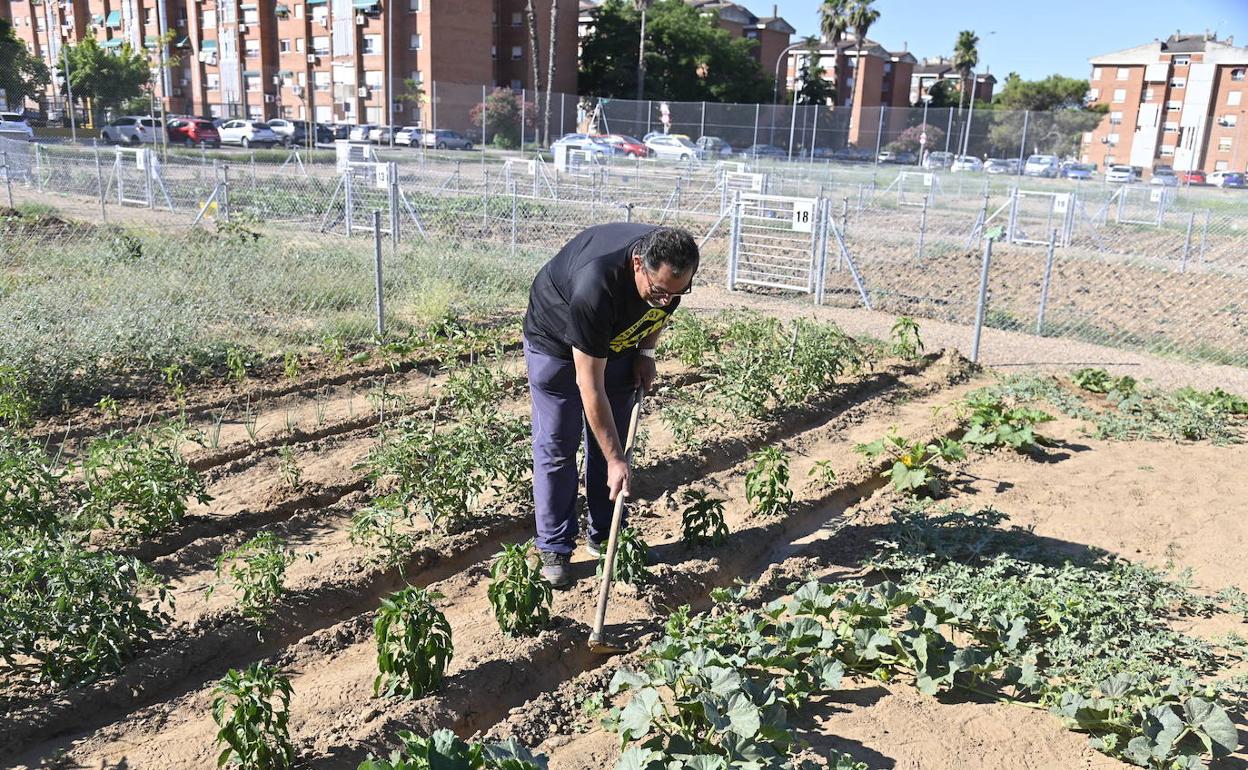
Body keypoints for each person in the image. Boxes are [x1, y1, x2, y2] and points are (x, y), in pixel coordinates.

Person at [523, 224, 699, 588]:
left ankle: (606, 536)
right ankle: (555, 546)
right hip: (555, 343)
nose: (668, 299)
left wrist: (646, 351)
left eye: (678, 293)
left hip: (616, 340)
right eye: (659, 291)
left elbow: (659, 311)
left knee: (611, 440)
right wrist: (618, 460)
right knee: (558, 444)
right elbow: (589, 386)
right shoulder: (595, 287)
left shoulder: (670, 273)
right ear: (638, 264)